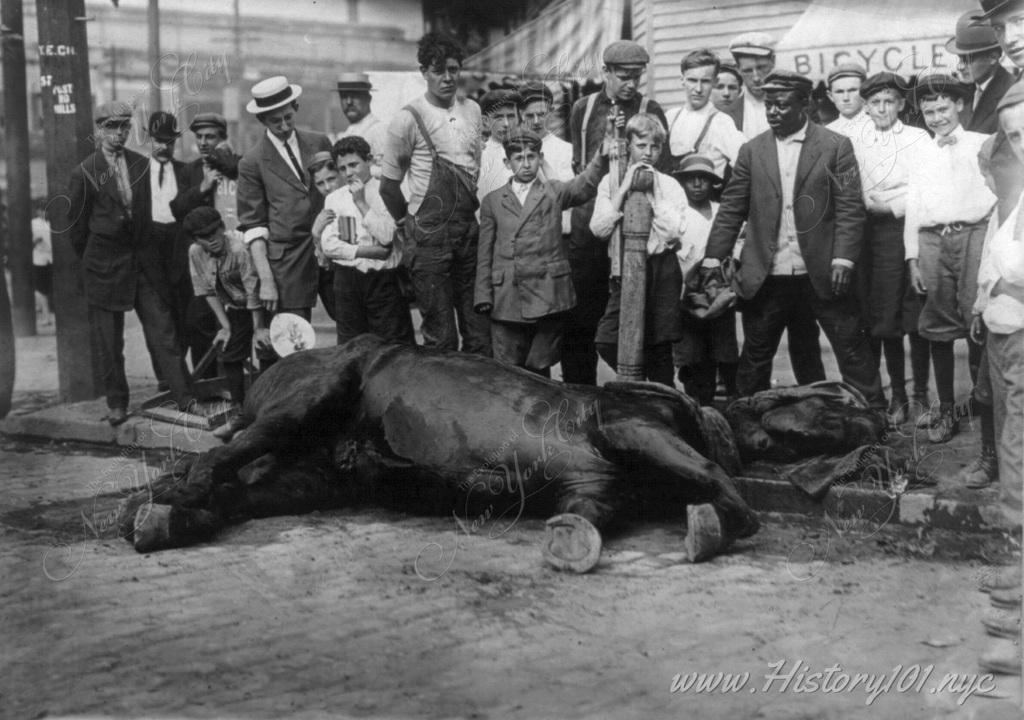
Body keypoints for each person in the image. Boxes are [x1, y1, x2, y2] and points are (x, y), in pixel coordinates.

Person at [702, 71, 885, 411]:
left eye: (782, 105)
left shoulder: (835, 146)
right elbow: (731, 209)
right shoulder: (751, 151)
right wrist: (713, 257)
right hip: (768, 274)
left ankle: (874, 418)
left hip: (824, 272)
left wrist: (842, 259)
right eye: (769, 105)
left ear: (804, 104)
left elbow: (849, 209)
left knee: (851, 349)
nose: (773, 112)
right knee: (755, 356)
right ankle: (744, 422)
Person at [67, 102, 193, 425]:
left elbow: (151, 214)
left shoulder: (140, 164)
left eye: (124, 127)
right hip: (104, 267)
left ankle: (184, 396)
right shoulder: (84, 171)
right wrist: (98, 258)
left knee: (163, 330)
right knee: (110, 342)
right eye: (111, 127)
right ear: (99, 131)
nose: (119, 133)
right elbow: (77, 230)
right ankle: (117, 404)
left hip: (141, 263)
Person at [564, 39, 670, 385]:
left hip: (635, 229)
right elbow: (578, 167)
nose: (631, 84)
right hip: (587, 227)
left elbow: (661, 174)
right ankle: (579, 395)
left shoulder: (652, 108)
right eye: (624, 76)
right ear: (605, 72)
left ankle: (645, 393)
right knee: (581, 317)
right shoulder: (582, 107)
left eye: (637, 77)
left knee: (639, 314)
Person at [380, 32, 490, 356]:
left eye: (453, 69)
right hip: (428, 237)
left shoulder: (472, 110)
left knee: (480, 337)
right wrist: (407, 224)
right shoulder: (407, 118)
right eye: (438, 69)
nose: (447, 77)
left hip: (467, 231)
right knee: (441, 339)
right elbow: (388, 186)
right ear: (424, 72)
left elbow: (475, 170)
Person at [904, 75, 997, 443]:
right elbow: (913, 204)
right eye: (929, 112)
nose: (937, 117)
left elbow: (999, 195)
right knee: (937, 326)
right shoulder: (920, 151)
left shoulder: (981, 143)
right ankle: (945, 409)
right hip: (932, 240)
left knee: (978, 320)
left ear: (959, 105)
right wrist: (912, 257)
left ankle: (984, 404)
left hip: (975, 235)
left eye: (943, 108)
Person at [474, 130, 608, 376]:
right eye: (519, 158)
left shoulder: (552, 192)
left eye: (531, 157)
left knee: (539, 369)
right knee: (510, 371)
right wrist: (483, 294)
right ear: (507, 162)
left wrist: (601, 155)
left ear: (540, 158)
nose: (526, 164)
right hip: (507, 297)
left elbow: (584, 186)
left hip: (547, 294)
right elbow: (485, 252)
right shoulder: (493, 201)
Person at [972, 79, 1024, 678]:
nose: (1020, 142)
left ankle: (1009, 621)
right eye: (1013, 134)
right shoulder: (1013, 195)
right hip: (1008, 340)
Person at [851, 72, 933, 425]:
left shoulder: (917, 138)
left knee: (914, 317)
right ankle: (897, 394)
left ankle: (921, 396)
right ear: (865, 106)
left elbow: (922, 187)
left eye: (889, 101)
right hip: (873, 235)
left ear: (901, 104)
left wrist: (894, 203)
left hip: (910, 226)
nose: (882, 108)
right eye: (874, 102)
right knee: (885, 319)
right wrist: (872, 202)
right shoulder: (855, 137)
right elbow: (855, 184)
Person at [590, 114, 687, 386]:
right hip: (626, 267)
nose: (648, 152)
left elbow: (673, 234)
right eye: (641, 145)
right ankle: (637, 380)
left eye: (654, 147)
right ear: (629, 145)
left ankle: (661, 401)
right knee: (608, 339)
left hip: (661, 269)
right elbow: (599, 229)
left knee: (659, 346)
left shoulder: (670, 185)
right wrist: (624, 186)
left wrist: (655, 195)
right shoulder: (611, 180)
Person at [237, 75, 333, 324]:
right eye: (274, 121)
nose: (283, 126)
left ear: (296, 108)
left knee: (350, 322)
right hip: (288, 263)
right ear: (261, 120)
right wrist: (267, 280)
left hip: (331, 248)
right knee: (295, 337)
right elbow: (254, 227)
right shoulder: (252, 162)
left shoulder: (319, 142)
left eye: (288, 117)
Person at [320, 136, 415, 345]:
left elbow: (387, 237)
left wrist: (361, 203)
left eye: (354, 164)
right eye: (342, 168)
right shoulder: (334, 198)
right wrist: (367, 251)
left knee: (393, 346)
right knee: (350, 347)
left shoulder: (387, 192)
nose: (349, 173)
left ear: (369, 160)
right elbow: (329, 245)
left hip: (383, 280)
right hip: (347, 281)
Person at [169, 112, 240, 380]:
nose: (203, 142)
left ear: (222, 138)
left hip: (232, 257)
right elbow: (177, 209)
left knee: (235, 322)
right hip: (201, 263)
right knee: (200, 321)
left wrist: (226, 161)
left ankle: (233, 382)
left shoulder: (236, 165)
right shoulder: (191, 170)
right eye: (199, 137)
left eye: (210, 137)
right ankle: (207, 384)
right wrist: (203, 187)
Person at [184, 207, 269, 421]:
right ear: (196, 240)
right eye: (204, 237)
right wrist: (226, 326)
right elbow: (206, 290)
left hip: (262, 305)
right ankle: (238, 407)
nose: (211, 239)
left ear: (222, 227)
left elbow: (253, 290)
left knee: (266, 351)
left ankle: (267, 407)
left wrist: (258, 329)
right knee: (228, 351)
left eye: (214, 232)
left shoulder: (238, 248)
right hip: (236, 308)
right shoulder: (195, 252)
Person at [671, 154, 737, 405]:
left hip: (719, 287)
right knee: (692, 352)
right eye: (691, 179)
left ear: (713, 183)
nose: (697, 184)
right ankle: (698, 400)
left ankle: (729, 398)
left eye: (704, 179)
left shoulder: (722, 212)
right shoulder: (677, 214)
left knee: (723, 346)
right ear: (683, 183)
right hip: (687, 289)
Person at [144, 111, 191, 385]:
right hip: (150, 252)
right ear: (150, 140)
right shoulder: (137, 172)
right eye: (159, 141)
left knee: (182, 318)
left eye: (169, 142)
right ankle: (166, 378)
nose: (164, 147)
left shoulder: (185, 172)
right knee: (157, 322)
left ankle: (175, 374)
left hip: (179, 250)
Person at [665, 49, 745, 179]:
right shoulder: (670, 117)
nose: (698, 89)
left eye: (705, 81)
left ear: (714, 82)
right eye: (692, 80)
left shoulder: (721, 122)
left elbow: (745, 166)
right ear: (682, 81)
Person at [949, 9, 1016, 135]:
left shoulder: (1014, 92)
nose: (960, 67)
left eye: (969, 59)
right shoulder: (965, 93)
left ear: (993, 57)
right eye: (960, 58)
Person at [728, 32, 776, 139]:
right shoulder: (728, 115)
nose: (756, 78)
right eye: (747, 71)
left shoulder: (797, 105)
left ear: (773, 61)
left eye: (761, 68)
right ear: (737, 69)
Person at [333, 72, 388, 166]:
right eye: (344, 96)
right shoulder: (347, 133)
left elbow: (386, 173)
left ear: (368, 98)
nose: (349, 102)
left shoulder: (378, 130)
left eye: (354, 96)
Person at [477, 89, 520, 203]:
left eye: (511, 116)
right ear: (485, 121)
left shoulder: (529, 151)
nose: (506, 124)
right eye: (498, 118)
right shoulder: (480, 156)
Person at [824, 63, 871, 139]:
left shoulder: (881, 127)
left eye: (852, 90)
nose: (846, 98)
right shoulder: (826, 133)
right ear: (830, 96)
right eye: (839, 92)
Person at [31, 199, 53, 327]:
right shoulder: (33, 223)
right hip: (40, 259)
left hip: (48, 259)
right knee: (40, 289)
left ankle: (46, 315)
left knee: (43, 289)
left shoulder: (51, 222)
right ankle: (46, 315)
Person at [712, 63, 745, 130]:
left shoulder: (747, 122)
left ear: (739, 91)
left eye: (732, 88)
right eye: (719, 87)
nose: (726, 94)